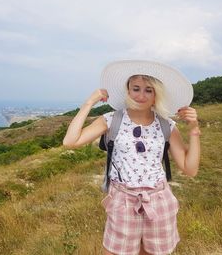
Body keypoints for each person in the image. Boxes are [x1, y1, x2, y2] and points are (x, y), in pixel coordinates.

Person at [63, 60, 200, 255]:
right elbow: (70, 141)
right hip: (123, 201)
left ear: (156, 95)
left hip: (159, 201)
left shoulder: (166, 125)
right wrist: (89, 102)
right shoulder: (112, 119)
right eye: (136, 88)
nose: (141, 95)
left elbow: (190, 169)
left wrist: (194, 129)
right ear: (128, 91)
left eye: (148, 90)